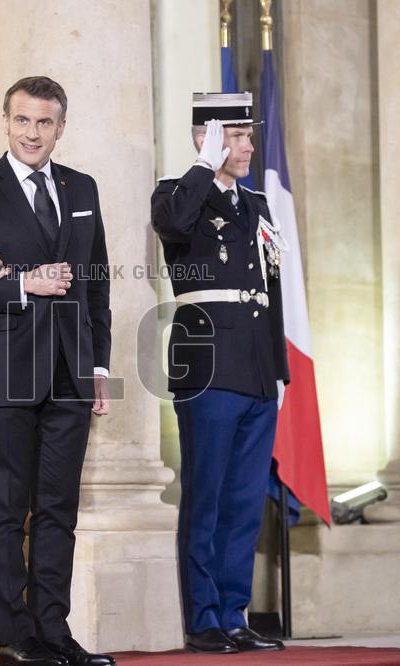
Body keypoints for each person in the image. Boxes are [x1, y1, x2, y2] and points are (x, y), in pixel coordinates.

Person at [0, 76, 113, 666]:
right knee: (6, 512)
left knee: (58, 509)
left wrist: (100, 365)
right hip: (0, 374)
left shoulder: (82, 188)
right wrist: (18, 284)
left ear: (61, 126)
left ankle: (55, 632)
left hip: (70, 375)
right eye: (23, 121)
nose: (33, 132)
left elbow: (97, 284)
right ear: (5, 123)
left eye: (45, 122)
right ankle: (15, 637)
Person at [150, 92, 289, 654]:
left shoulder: (256, 203)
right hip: (209, 367)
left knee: (244, 498)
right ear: (206, 139)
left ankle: (234, 613)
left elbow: (270, 290)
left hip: (256, 368)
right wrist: (204, 166)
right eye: (235, 136)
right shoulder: (178, 194)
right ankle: (204, 617)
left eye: (248, 135)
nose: (248, 145)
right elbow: (174, 223)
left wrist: (278, 369)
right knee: (205, 495)